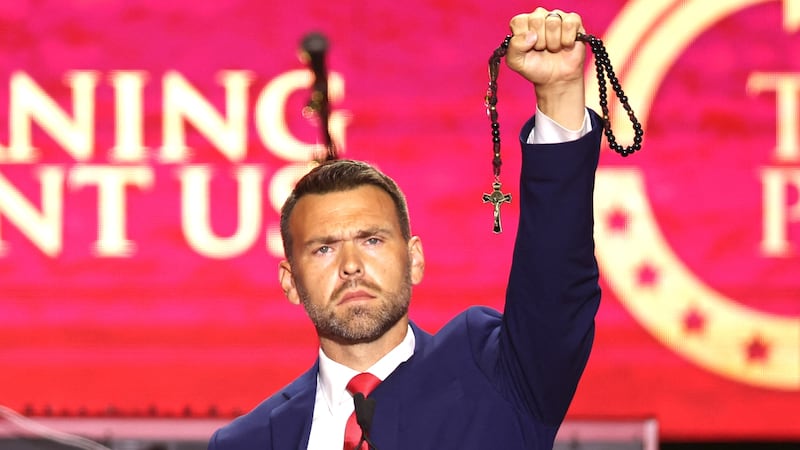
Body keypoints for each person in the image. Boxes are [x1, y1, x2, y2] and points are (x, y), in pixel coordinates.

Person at [209, 6, 602, 450]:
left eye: (372, 240)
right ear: (290, 281)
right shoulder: (247, 441)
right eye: (324, 249)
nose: (351, 265)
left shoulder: (495, 373)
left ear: (414, 258)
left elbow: (555, 283)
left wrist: (559, 93)